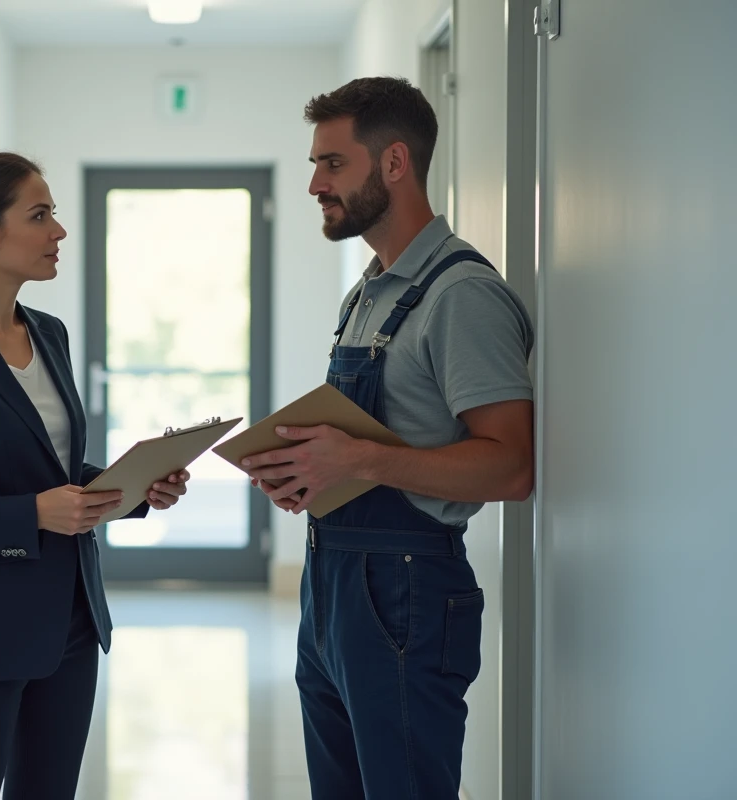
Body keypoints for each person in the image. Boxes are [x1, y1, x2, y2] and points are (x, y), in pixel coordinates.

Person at [240, 77, 535, 799]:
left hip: (407, 592)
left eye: (333, 164)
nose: (314, 183)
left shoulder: (460, 295)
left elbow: (511, 468)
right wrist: (310, 473)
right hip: (331, 586)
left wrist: (361, 458)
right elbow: (370, 444)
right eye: (315, 165)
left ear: (395, 163)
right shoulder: (367, 292)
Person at [0, 151, 191, 800]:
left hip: (70, 624)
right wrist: (34, 514)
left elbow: (54, 471)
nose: (59, 232)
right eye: (40, 214)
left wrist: (137, 489)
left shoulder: (49, 335)